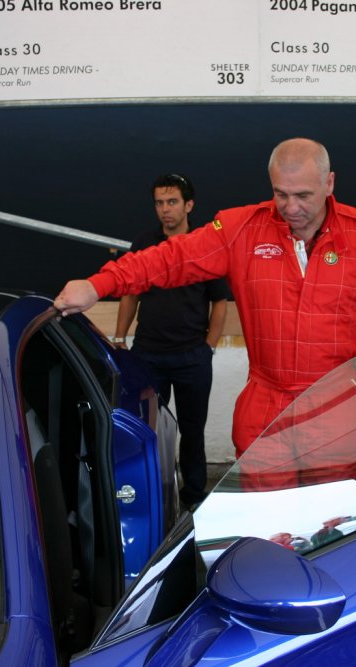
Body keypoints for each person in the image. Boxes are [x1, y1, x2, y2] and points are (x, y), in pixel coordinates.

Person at [55, 138, 356, 489]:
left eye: (303, 195)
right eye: (281, 194)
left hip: (336, 405)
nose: (292, 208)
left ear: (329, 183)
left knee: (329, 519)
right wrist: (99, 285)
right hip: (265, 403)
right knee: (263, 518)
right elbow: (172, 258)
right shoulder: (242, 230)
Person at [113, 174, 231, 508]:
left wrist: (209, 345)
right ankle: (155, 499)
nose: (165, 210)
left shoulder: (206, 244)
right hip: (148, 356)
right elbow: (130, 292)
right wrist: (120, 337)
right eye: (159, 203)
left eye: (172, 202)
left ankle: (193, 501)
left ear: (188, 205)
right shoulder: (145, 243)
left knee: (192, 434)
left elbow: (219, 301)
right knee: (148, 435)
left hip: (193, 358)